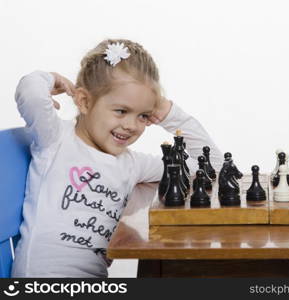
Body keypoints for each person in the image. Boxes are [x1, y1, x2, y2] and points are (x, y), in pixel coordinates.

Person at [11, 39, 223, 277]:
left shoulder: (133, 164)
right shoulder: (56, 139)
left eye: (143, 115)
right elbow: (30, 92)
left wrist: (170, 114)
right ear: (84, 101)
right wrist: (52, 78)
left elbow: (212, 166)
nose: (131, 125)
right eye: (121, 111)